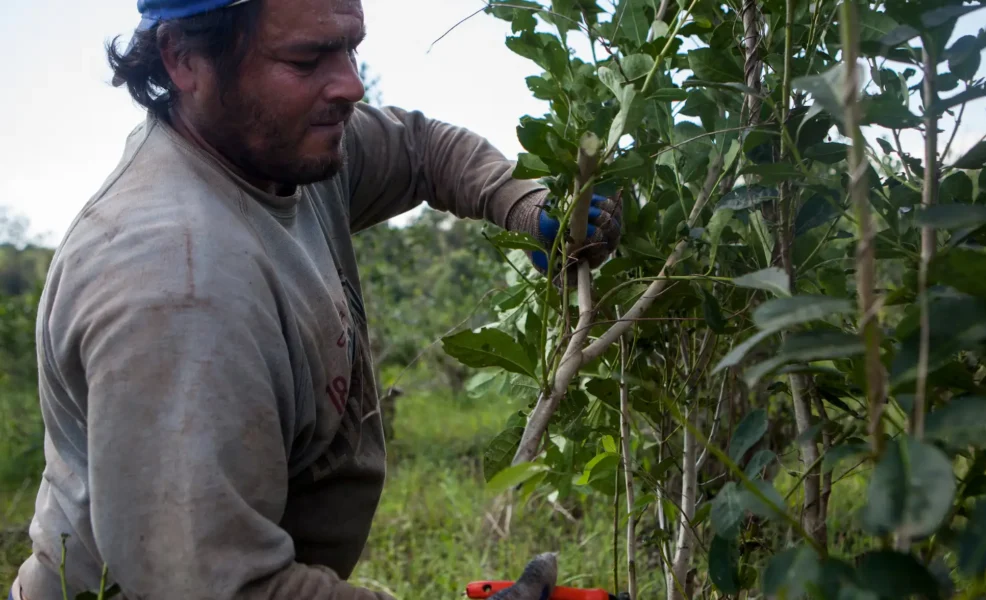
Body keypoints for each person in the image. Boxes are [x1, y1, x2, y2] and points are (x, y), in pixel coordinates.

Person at [8, 0, 621, 598]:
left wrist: (530, 206)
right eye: (307, 60)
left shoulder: (278, 152)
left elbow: (420, 148)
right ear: (183, 59)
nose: (350, 85)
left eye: (351, 49)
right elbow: (217, 587)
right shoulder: (175, 288)